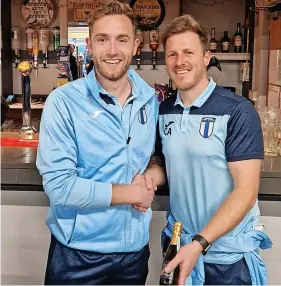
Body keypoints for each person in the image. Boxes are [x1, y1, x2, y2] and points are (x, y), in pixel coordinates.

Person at [36, 1, 165, 284]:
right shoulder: (64, 102)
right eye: (102, 39)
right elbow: (60, 186)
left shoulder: (150, 99)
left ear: (135, 45)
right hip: (77, 256)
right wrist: (132, 194)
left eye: (122, 40)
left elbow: (157, 156)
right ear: (90, 46)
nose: (112, 51)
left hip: (133, 253)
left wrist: (150, 179)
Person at [152, 15, 272, 285]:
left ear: (207, 57)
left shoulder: (238, 111)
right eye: (172, 54)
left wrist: (199, 243)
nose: (179, 61)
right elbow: (162, 162)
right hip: (178, 246)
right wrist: (148, 176)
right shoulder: (164, 111)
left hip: (227, 259)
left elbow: (246, 190)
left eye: (188, 52)